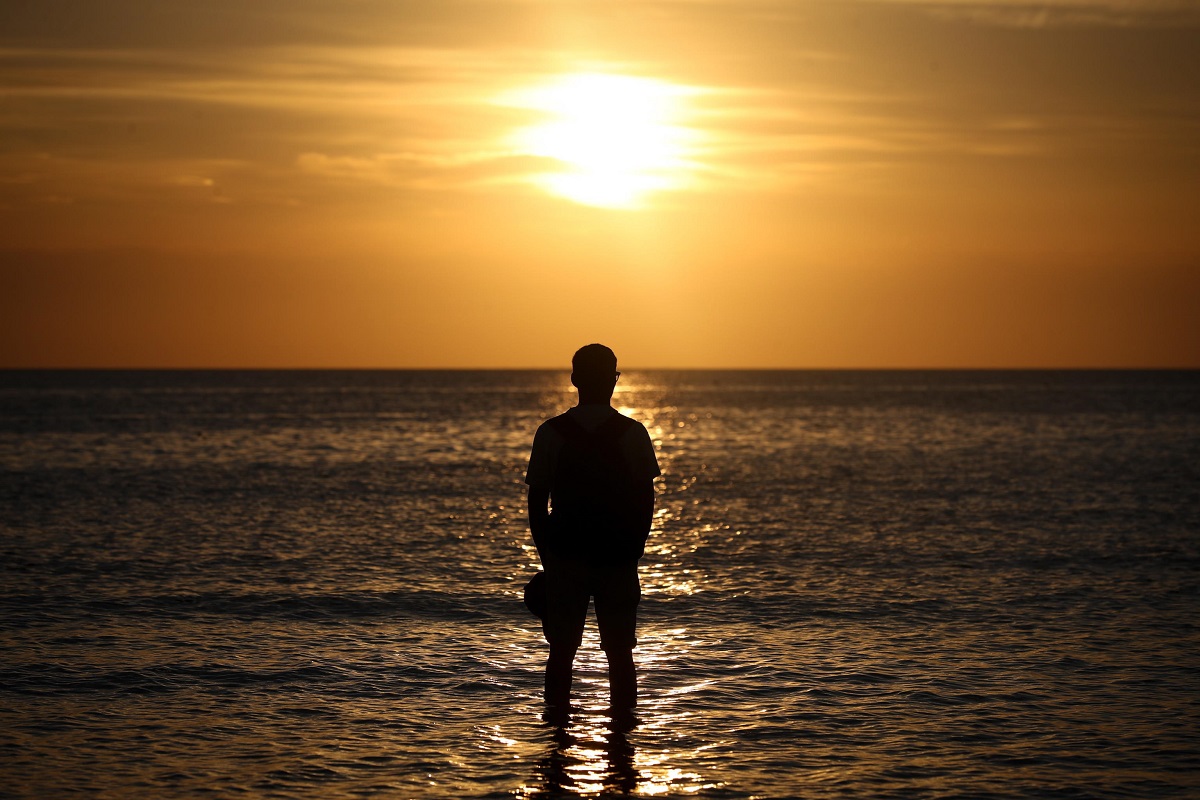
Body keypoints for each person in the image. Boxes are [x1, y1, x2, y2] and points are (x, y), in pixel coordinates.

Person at [525, 344, 660, 721]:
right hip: (617, 554)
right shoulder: (632, 433)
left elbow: (537, 503)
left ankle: (556, 735)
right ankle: (623, 734)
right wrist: (634, 549)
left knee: (561, 652)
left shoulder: (550, 433)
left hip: (565, 553)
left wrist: (547, 556)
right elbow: (645, 502)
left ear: (574, 380)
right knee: (620, 653)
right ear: (613, 380)